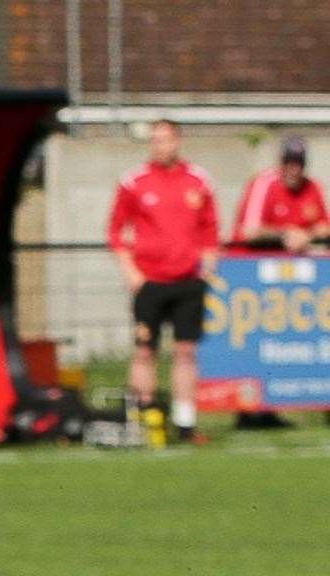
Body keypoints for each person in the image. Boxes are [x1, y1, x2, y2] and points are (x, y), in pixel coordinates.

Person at [107, 119, 219, 446]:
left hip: (188, 281)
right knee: (145, 351)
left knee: (185, 351)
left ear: (177, 141)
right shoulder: (134, 182)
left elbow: (211, 229)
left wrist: (207, 265)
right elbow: (115, 231)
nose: (161, 146)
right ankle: (144, 418)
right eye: (155, 141)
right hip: (150, 282)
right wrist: (131, 272)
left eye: (166, 140)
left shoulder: (198, 180)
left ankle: (185, 423)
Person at [231, 137, 329, 252]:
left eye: (299, 163)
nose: (294, 169)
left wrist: (307, 235)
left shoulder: (313, 187)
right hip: (255, 260)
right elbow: (249, 231)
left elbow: (325, 226)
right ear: (280, 163)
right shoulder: (263, 183)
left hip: (296, 260)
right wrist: (285, 233)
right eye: (288, 162)